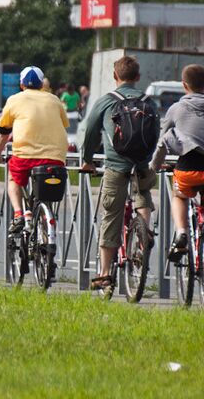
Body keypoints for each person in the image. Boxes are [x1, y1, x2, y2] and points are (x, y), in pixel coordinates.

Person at [150, 65, 204, 296]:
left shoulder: (177, 108)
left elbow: (163, 139)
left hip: (187, 171)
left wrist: (155, 166)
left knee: (180, 195)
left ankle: (182, 231)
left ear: (185, 85)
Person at [80, 55, 158, 290]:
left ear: (115, 77)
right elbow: (155, 132)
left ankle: (104, 274)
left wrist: (88, 160)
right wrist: (146, 157)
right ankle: (145, 230)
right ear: (137, 77)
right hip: (142, 163)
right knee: (143, 192)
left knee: (111, 215)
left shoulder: (106, 101)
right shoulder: (148, 101)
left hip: (116, 164)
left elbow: (91, 132)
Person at [0, 66, 69, 241]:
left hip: (25, 156)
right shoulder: (55, 100)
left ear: (21, 84)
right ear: (42, 84)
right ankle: (45, 220)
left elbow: (4, 132)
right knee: (45, 189)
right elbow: (64, 124)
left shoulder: (14, 100)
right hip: (55, 157)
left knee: (13, 178)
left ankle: (19, 214)